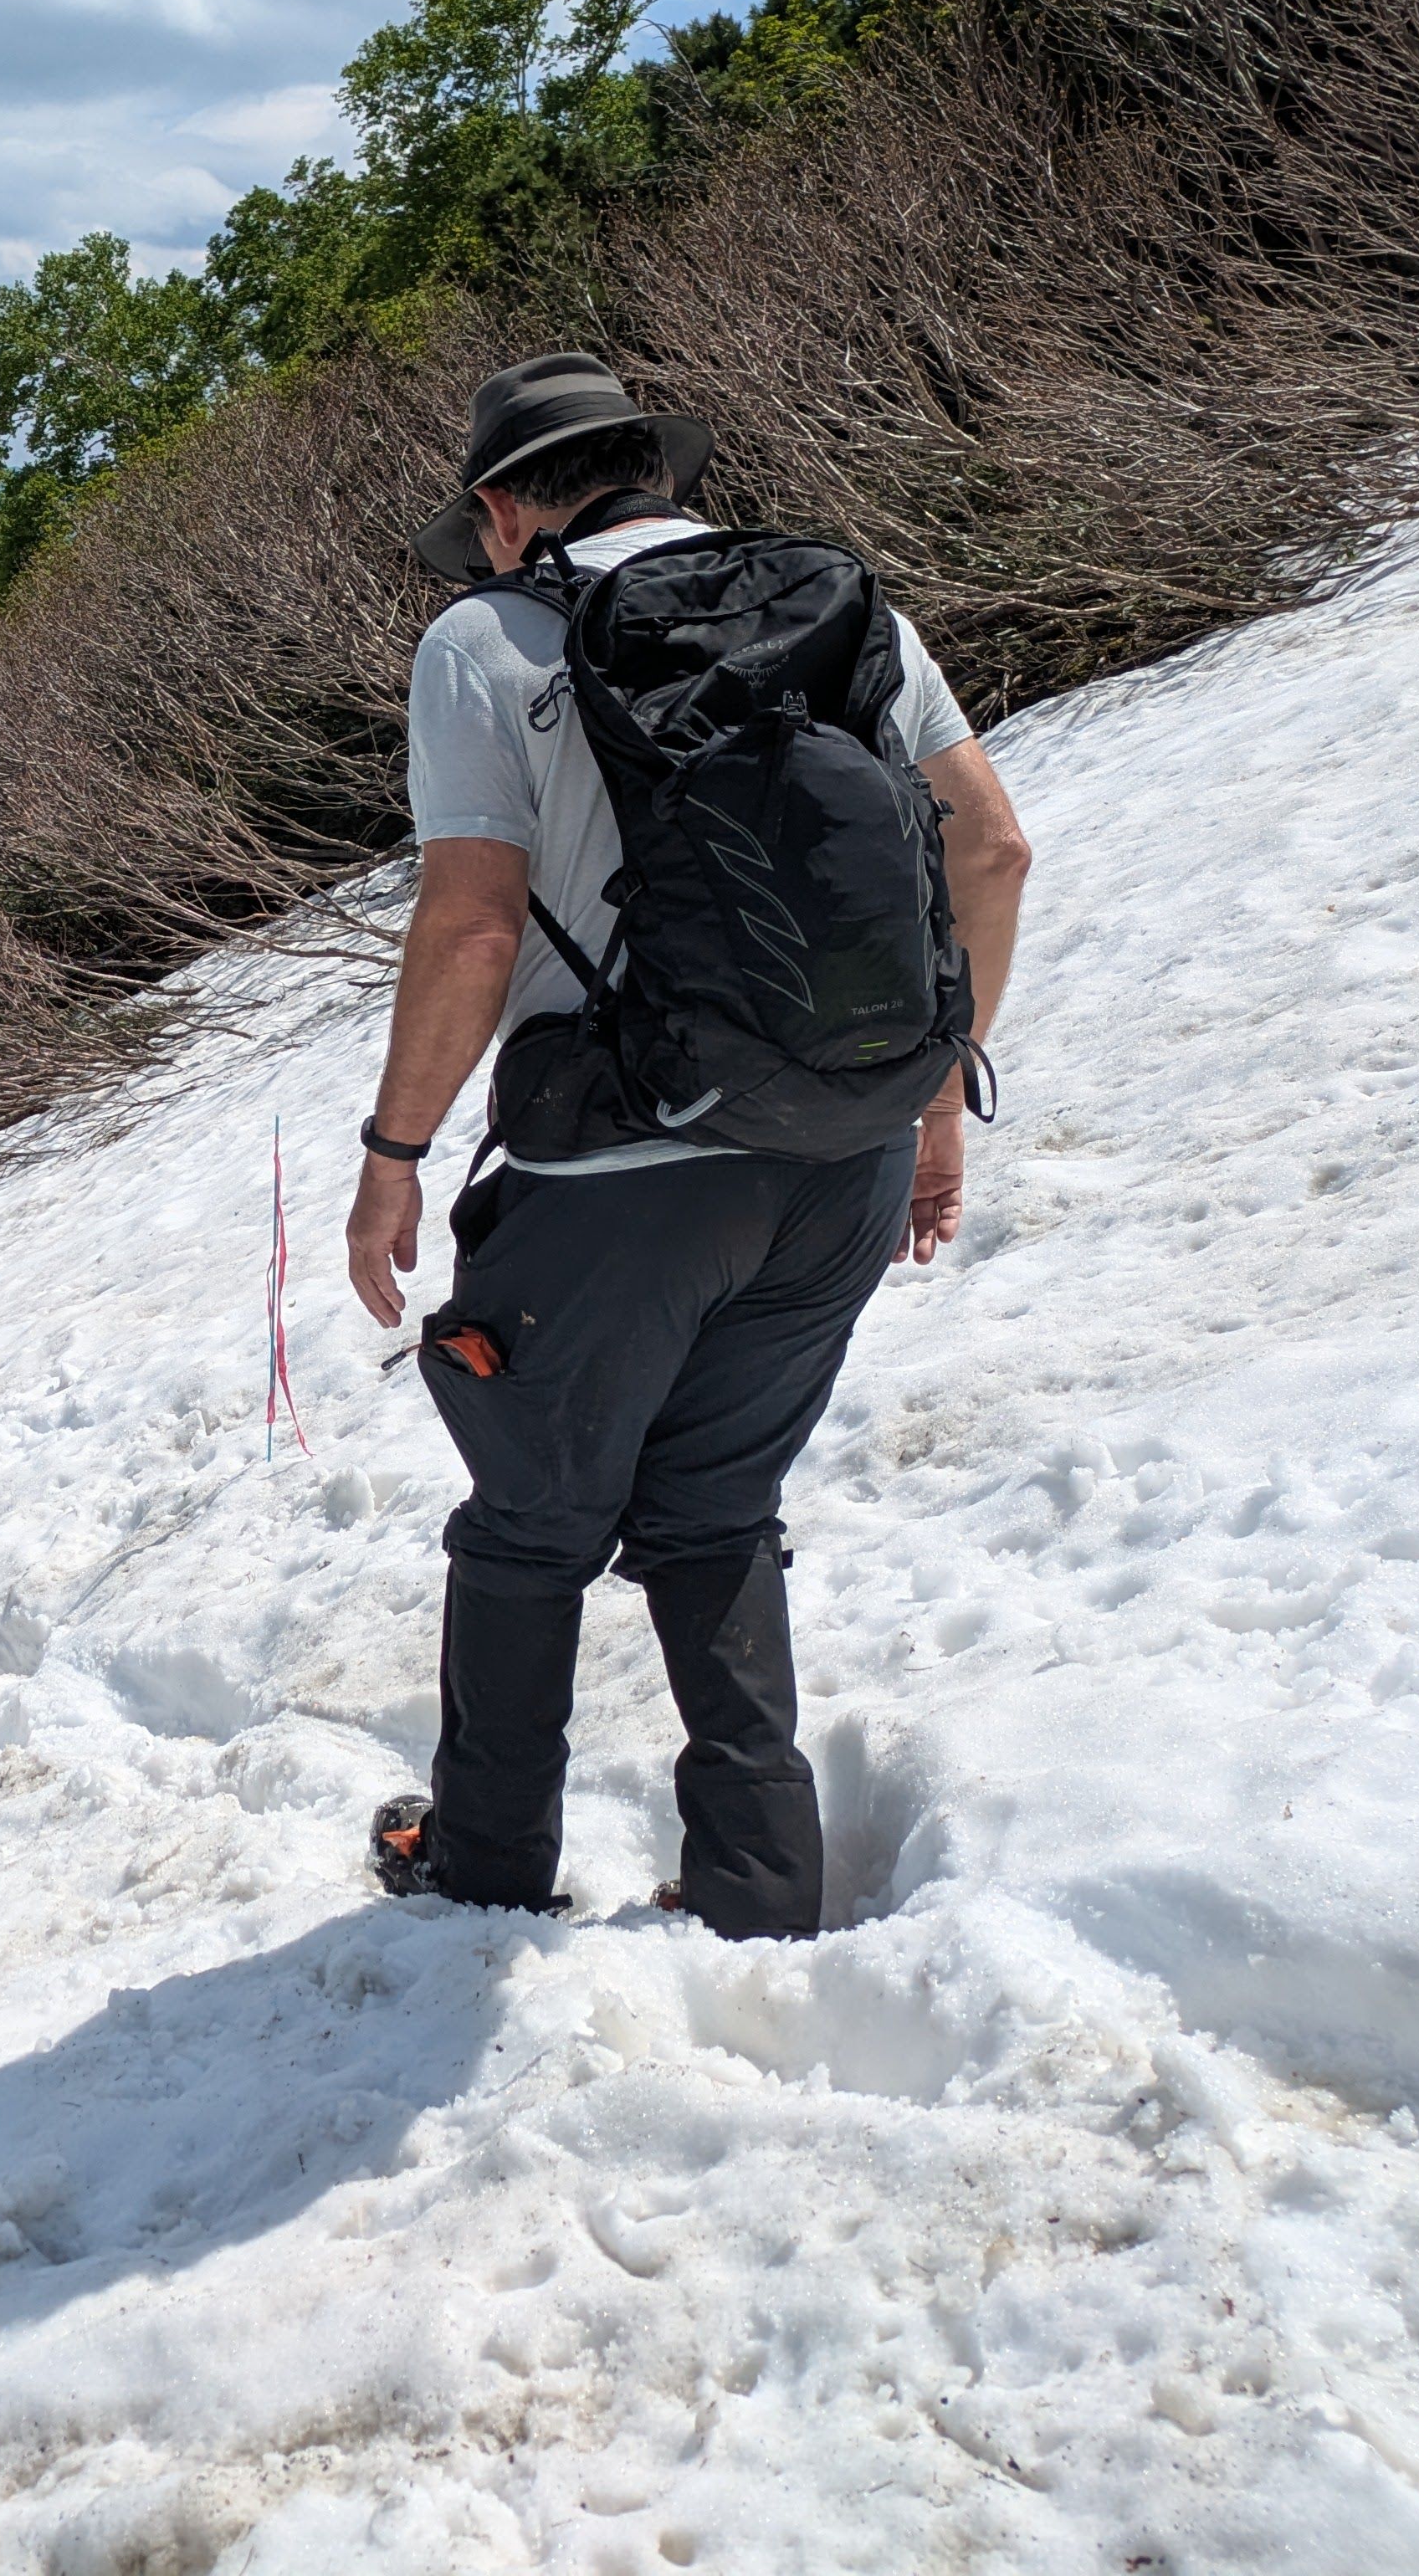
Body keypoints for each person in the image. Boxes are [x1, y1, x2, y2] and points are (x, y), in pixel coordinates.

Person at [347, 351, 1033, 1939]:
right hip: (843, 1155)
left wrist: (393, 1152)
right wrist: (933, 1103)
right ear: (656, 467)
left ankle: (483, 1864)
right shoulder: (845, 613)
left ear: (502, 508)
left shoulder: (482, 642)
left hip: (611, 1176)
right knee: (715, 1508)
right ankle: (754, 1881)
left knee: (527, 1520)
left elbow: (467, 925)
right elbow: (989, 846)